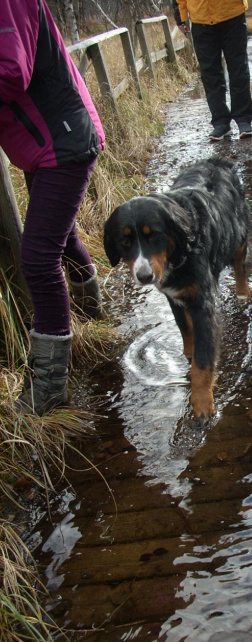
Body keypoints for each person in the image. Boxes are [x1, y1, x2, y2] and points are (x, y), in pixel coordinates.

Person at [0, 0, 105, 415]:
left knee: (38, 257)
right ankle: (92, 311)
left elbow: (11, 71)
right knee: (61, 239)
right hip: (47, 140)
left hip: (62, 141)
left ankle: (48, 389)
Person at [173, 0, 252, 141]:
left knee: (238, 68)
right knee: (209, 73)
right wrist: (180, 17)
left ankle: (243, 119)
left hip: (232, 13)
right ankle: (220, 121)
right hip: (200, 19)